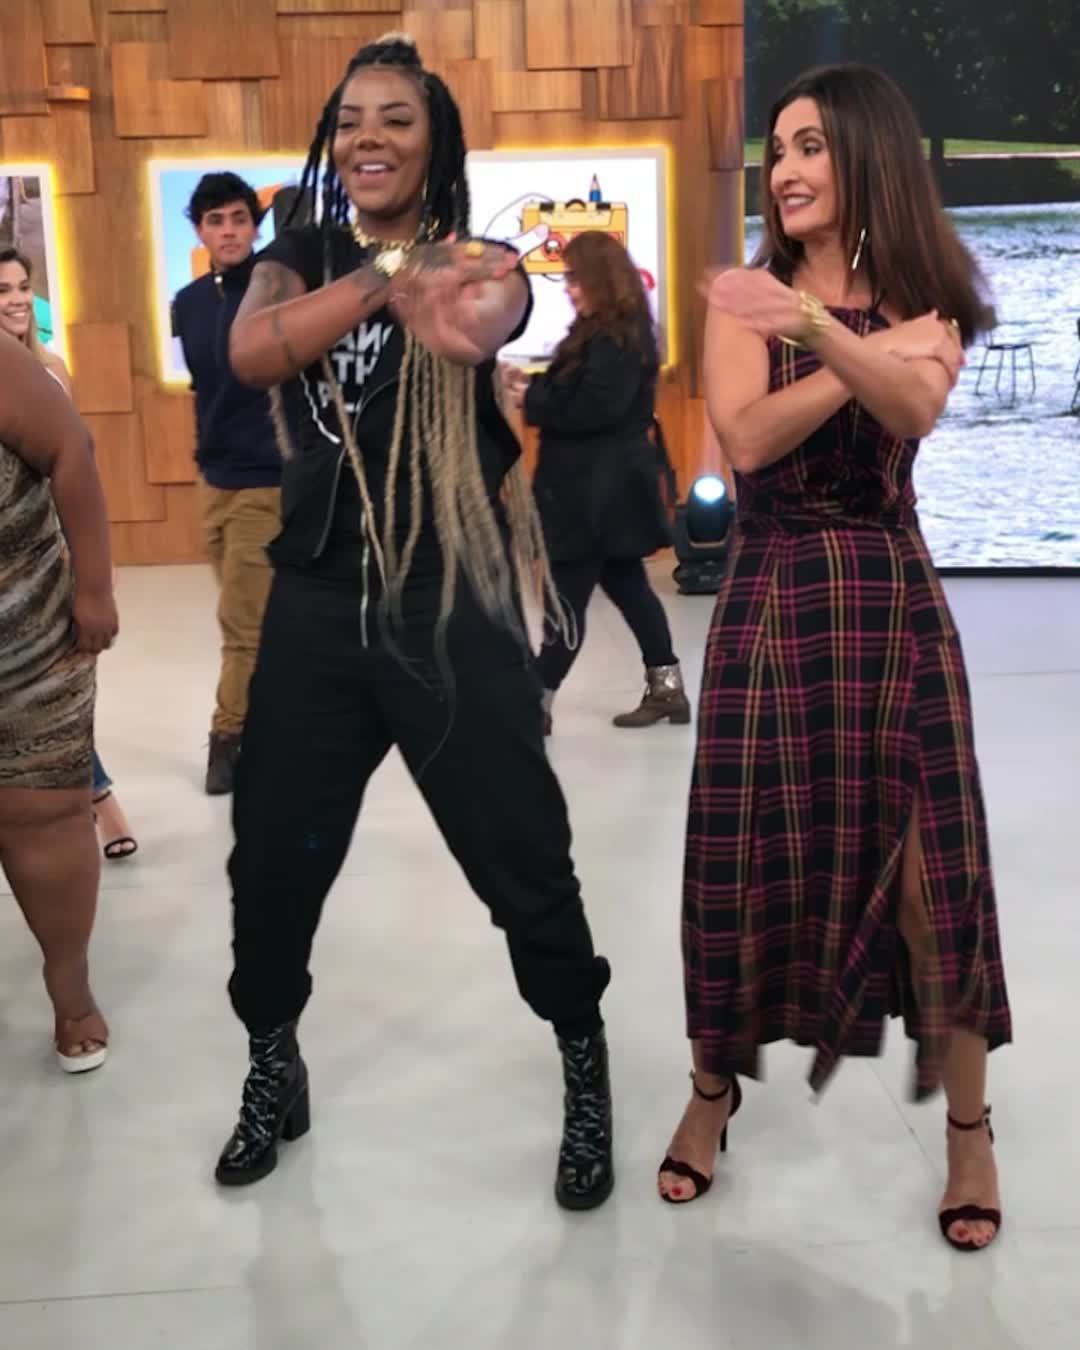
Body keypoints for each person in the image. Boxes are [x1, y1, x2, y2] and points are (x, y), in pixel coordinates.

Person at [213, 34, 614, 1211]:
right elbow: (252, 352)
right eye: (350, 121)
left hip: (449, 599)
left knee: (521, 850)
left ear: (433, 137)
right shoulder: (295, 257)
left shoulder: (474, 257)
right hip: (318, 598)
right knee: (270, 860)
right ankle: (272, 1061)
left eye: (395, 117)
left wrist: (457, 300)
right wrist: (378, 281)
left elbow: (493, 307)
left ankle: (583, 1062)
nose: (368, 138)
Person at [658, 63, 1011, 1254]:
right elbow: (748, 438)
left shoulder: (928, 298)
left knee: (936, 883)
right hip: (773, 603)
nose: (789, 169)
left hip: (893, 603)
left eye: (812, 145)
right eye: (781, 149)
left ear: (867, 155)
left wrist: (812, 333)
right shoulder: (747, 296)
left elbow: (914, 413)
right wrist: (859, 347)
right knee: (737, 864)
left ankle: (970, 1131)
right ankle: (711, 1093)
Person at [501, 233, 688, 733]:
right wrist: (531, 387)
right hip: (601, 493)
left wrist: (529, 398)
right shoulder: (609, 333)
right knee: (628, 587)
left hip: (594, 497)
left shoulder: (615, 338)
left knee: (566, 599)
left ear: (600, 279)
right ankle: (667, 688)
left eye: (575, 278)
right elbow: (583, 397)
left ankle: (535, 700)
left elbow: (593, 408)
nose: (568, 288)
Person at [0, 331, 118, 1071]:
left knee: (40, 811)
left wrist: (95, 587)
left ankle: (69, 991)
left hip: (30, 637)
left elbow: (71, 451)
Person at [0, 246, 136, 862]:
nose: (16, 300)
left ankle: (97, 802)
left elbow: (78, 465)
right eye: (2, 290)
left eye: (22, 287)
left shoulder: (51, 368)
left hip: (50, 562)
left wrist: (93, 575)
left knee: (53, 695)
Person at [172, 173, 282, 795]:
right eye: (216, 221)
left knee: (242, 624)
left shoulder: (279, 290)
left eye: (239, 218)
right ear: (200, 231)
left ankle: (228, 739)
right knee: (254, 622)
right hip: (212, 479)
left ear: (255, 226)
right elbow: (204, 389)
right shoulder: (188, 303)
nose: (229, 231)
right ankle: (276, 722)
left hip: (267, 481)